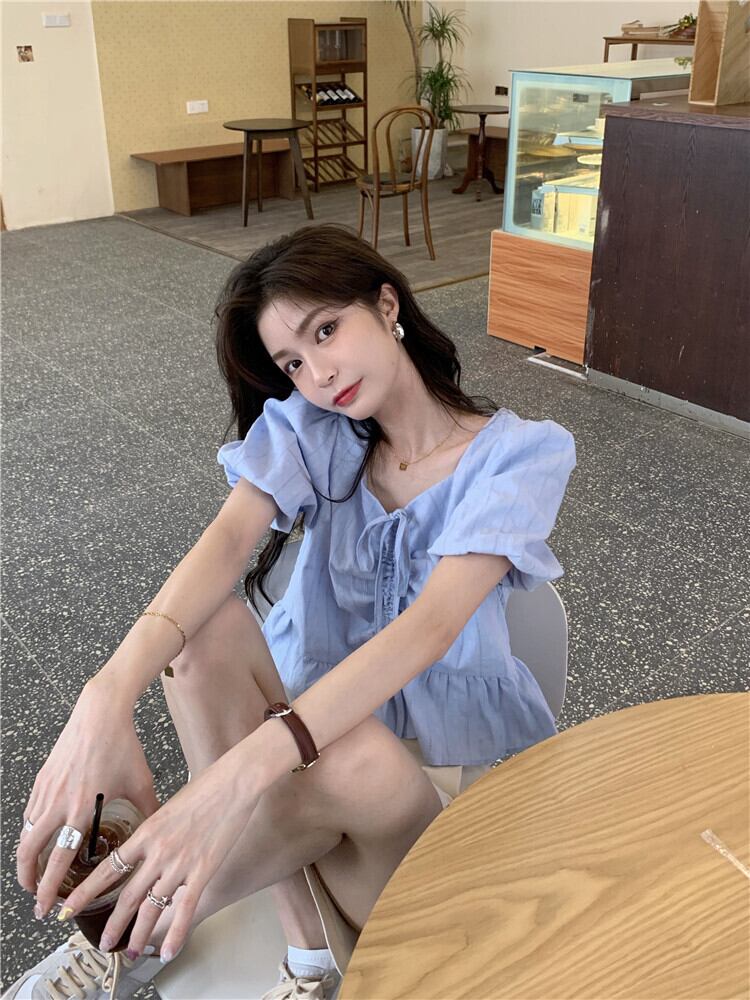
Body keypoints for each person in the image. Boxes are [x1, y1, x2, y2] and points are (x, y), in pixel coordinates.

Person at [6, 225, 576, 1000]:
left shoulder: (522, 454)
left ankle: (128, 926)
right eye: (293, 363)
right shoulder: (318, 431)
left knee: (353, 755)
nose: (319, 373)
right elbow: (225, 542)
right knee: (206, 631)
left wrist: (225, 785)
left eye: (326, 330)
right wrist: (104, 694)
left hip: (419, 809)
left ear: (387, 305)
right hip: (302, 760)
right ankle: (302, 947)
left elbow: (431, 628)